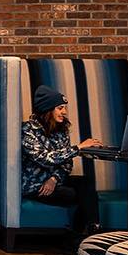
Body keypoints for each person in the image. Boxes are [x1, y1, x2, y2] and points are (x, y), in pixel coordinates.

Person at [22, 85, 103, 234]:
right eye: (60, 108)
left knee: (86, 183)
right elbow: (44, 158)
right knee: (75, 194)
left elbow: (67, 163)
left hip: (53, 182)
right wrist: (78, 148)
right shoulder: (28, 130)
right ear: (47, 109)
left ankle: (92, 229)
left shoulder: (61, 129)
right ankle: (81, 235)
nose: (64, 112)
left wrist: (54, 179)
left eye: (64, 108)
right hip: (35, 186)